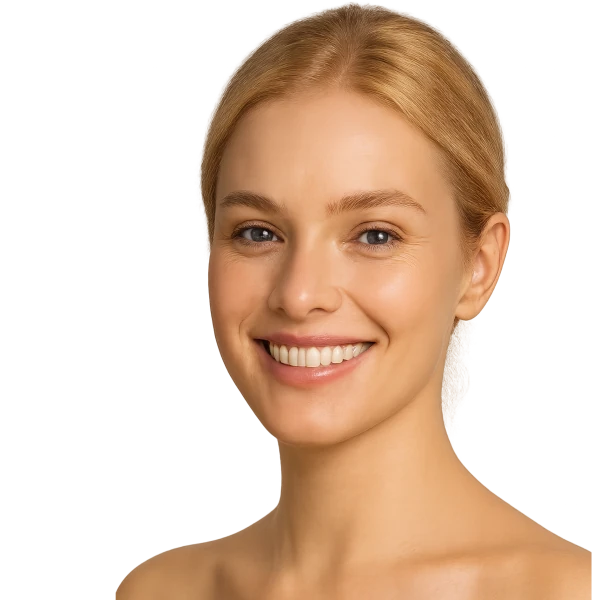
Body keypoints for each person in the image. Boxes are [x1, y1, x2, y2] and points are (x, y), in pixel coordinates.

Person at [116, 4, 591, 599]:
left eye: (375, 236)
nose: (299, 294)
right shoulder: (155, 592)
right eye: (258, 232)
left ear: (479, 266)